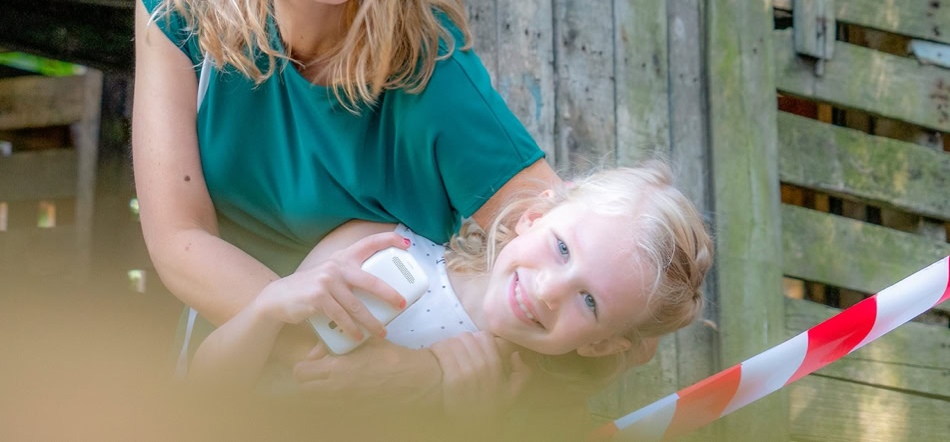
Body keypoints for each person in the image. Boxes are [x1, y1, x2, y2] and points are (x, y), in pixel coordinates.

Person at [130, 0, 657, 428]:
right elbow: (179, 237)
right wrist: (332, 353)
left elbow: (587, 300)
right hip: (233, 372)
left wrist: (431, 376)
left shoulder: (433, 74)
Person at [188, 163, 713, 427]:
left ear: (600, 345)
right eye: (561, 248)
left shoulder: (531, 410)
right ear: (533, 217)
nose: (549, 291)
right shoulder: (382, 253)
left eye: (590, 301)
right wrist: (267, 306)